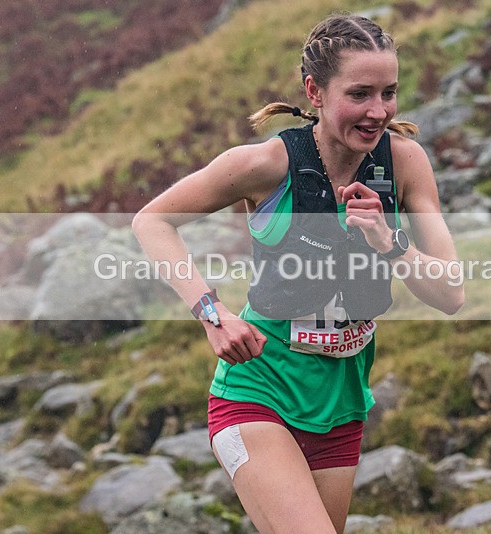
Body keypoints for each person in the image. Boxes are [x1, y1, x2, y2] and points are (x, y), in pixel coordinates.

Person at [132, 12, 463, 534]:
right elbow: (152, 221)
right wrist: (212, 313)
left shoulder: (405, 163)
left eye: (389, 93)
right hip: (259, 390)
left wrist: (391, 243)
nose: (378, 111)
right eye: (360, 94)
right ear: (315, 91)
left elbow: (451, 294)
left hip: (341, 401)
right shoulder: (265, 165)